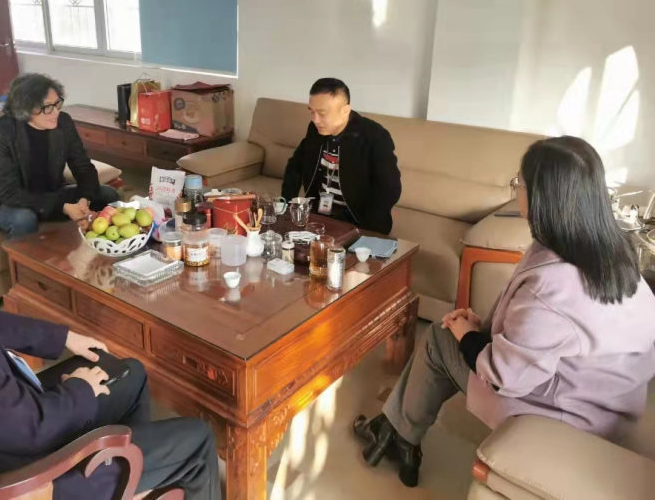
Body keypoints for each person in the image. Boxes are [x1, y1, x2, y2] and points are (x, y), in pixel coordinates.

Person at [0, 160, 220, 500]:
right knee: (196, 437)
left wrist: (63, 338)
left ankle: (124, 469)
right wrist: (79, 389)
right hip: (25, 479)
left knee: (131, 374)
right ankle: (112, 472)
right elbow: (33, 430)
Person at [353, 136, 655, 487]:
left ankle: (399, 437)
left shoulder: (553, 283)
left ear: (542, 197)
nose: (516, 192)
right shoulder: (613, 251)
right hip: (611, 400)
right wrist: (480, 327)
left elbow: (504, 376)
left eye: (519, 184)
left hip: (568, 416)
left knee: (438, 337)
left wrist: (467, 335)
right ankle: (392, 429)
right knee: (452, 334)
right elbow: (540, 330)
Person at [0, 73, 120, 238]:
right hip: (8, 201)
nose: (55, 112)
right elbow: (9, 193)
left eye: (57, 104)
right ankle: (26, 255)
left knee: (108, 195)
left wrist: (84, 200)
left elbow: (83, 166)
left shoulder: (63, 122)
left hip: (50, 192)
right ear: (25, 108)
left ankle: (98, 248)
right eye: (47, 107)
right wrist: (63, 207)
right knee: (23, 218)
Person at [281, 78, 401, 234]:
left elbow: (389, 188)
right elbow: (295, 165)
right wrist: (286, 206)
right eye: (312, 111)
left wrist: (366, 231)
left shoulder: (374, 136)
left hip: (358, 221)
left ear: (345, 110)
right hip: (319, 216)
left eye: (322, 113)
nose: (315, 120)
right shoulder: (315, 130)